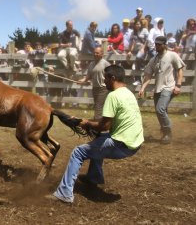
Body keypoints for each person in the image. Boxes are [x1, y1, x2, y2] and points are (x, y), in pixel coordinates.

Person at [48, 65, 144, 204]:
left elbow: (103, 126)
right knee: (98, 140)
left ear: (113, 78)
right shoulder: (128, 93)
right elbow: (106, 124)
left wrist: (86, 123)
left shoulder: (113, 95)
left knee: (78, 152)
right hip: (135, 143)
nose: (104, 81)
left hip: (120, 145)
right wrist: (87, 122)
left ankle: (64, 193)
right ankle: (94, 178)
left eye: (105, 78)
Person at [138, 36, 184, 143]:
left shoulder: (172, 55)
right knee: (161, 111)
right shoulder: (153, 59)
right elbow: (148, 75)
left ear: (165, 44)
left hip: (169, 87)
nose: (157, 46)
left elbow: (180, 70)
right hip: (157, 89)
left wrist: (178, 85)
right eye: (156, 44)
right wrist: (143, 88)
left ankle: (167, 131)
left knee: (160, 109)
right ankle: (165, 133)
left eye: (159, 44)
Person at [77, 46, 110, 120]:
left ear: (102, 54)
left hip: (103, 89)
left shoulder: (106, 64)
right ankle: (102, 122)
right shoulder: (91, 64)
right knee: (98, 106)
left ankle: (97, 122)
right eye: (94, 53)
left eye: (97, 53)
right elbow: (88, 76)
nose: (95, 54)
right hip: (95, 88)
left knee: (98, 107)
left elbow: (111, 76)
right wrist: (82, 80)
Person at [128, 20, 149, 85]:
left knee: (138, 57)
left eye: (139, 24)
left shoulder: (145, 30)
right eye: (136, 24)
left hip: (143, 49)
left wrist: (143, 48)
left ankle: (143, 66)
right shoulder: (133, 32)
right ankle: (138, 80)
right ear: (134, 25)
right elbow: (132, 43)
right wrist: (130, 51)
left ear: (141, 24)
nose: (138, 25)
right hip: (135, 50)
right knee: (133, 64)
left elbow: (148, 40)